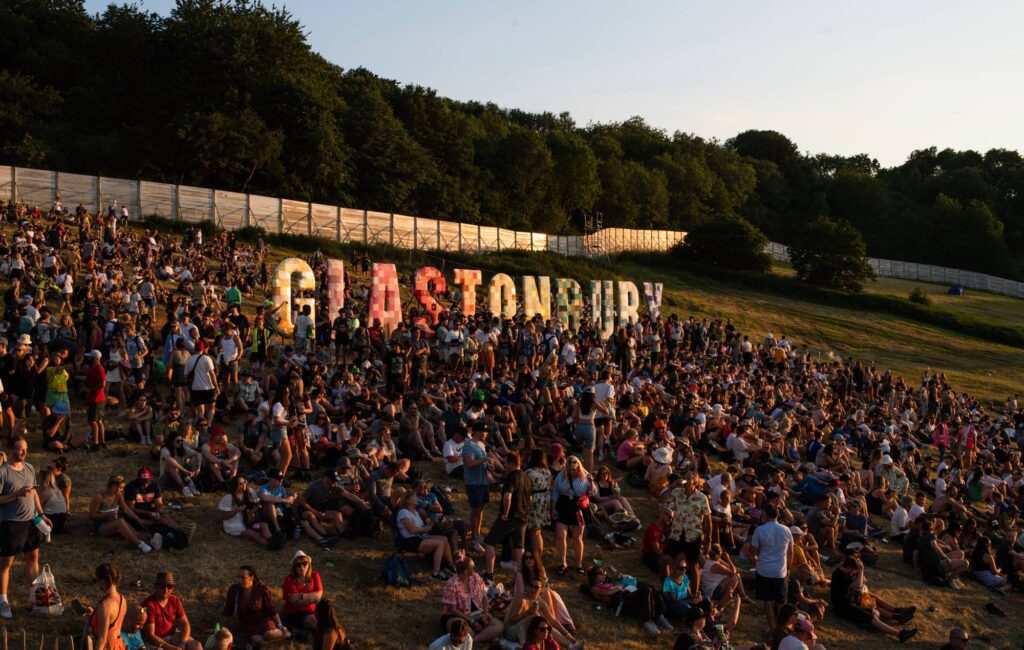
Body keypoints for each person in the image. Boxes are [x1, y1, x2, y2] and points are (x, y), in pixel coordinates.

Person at [0, 436, 48, 619]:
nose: (24, 452)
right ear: (11, 449)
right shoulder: (3, 472)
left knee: (33, 557)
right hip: (11, 523)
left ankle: (34, 596)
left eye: (26, 449)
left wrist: (41, 514)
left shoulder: (29, 467)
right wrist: (16, 494)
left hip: (31, 521)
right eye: (21, 449)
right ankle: (3, 600)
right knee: (6, 564)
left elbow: (33, 492)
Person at [830, 556, 917, 643]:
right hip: (843, 608)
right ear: (849, 567)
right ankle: (900, 634)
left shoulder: (846, 573)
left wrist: (859, 574)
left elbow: (859, 583)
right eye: (854, 570)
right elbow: (858, 586)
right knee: (872, 618)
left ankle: (870, 625)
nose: (853, 572)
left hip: (851, 604)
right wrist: (861, 570)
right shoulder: (839, 576)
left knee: (875, 613)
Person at [483, 451, 531, 579]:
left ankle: (489, 574)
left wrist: (505, 513)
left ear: (512, 463)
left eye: (505, 463)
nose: (504, 465)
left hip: (510, 516)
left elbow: (507, 497)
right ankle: (520, 574)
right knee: (519, 546)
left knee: (489, 542)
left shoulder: (512, 477)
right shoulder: (526, 478)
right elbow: (529, 498)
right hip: (523, 517)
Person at [586, 564, 671, 637]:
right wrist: (617, 588)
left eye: (603, 573)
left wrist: (618, 585)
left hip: (625, 595)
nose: (604, 575)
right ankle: (647, 620)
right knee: (647, 590)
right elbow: (607, 592)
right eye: (600, 573)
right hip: (620, 603)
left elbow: (617, 583)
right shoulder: (594, 588)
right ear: (593, 577)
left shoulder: (606, 583)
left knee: (652, 589)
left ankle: (659, 615)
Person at [749, 502, 794, 631]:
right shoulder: (786, 530)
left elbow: (753, 552)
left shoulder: (759, 530)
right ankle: (781, 629)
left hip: (764, 571)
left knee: (767, 602)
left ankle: (773, 629)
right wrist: (788, 568)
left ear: (765, 514)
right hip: (780, 571)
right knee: (781, 603)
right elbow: (790, 553)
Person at [220, 565, 291, 646]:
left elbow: (270, 608)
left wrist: (280, 625)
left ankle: (287, 633)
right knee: (258, 640)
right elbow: (228, 610)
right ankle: (267, 644)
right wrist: (219, 627)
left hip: (263, 620)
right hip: (247, 623)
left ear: (251, 578)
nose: (239, 580)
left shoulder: (261, 588)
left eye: (243, 577)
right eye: (238, 577)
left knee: (270, 635)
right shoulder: (234, 590)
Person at [440, 559, 504, 645]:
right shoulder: (452, 583)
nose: (475, 569)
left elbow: (484, 597)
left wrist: (485, 614)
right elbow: (453, 610)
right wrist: (471, 621)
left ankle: (474, 640)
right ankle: (485, 634)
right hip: (458, 616)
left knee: (499, 626)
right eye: (473, 567)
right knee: (461, 630)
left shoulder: (476, 577)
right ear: (466, 571)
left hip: (478, 614)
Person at [551, 455, 595, 576]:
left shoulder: (585, 476)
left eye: (574, 469)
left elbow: (592, 493)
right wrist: (553, 508)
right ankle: (563, 563)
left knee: (577, 537)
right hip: (563, 506)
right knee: (561, 534)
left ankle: (578, 564)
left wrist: (591, 482)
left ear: (578, 467)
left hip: (578, 508)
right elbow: (555, 492)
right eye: (569, 468)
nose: (571, 471)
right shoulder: (561, 476)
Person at [89, 475, 156, 554]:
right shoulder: (99, 497)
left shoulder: (118, 495)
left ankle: (150, 542)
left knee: (133, 532)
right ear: (113, 486)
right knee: (120, 521)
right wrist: (107, 514)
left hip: (115, 521)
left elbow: (126, 509)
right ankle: (140, 544)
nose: (122, 490)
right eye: (120, 488)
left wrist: (138, 519)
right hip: (102, 526)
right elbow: (92, 516)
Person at [397, 492, 455, 581]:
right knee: (440, 543)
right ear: (408, 501)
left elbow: (421, 527)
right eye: (414, 497)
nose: (417, 499)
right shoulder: (403, 513)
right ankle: (436, 573)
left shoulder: (415, 512)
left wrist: (430, 525)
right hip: (411, 541)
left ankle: (450, 565)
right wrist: (425, 528)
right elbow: (412, 530)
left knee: (444, 539)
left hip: (420, 536)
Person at [141, 571, 202, 650]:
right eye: (162, 587)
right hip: (155, 642)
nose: (166, 590)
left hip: (172, 635)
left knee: (196, 646)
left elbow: (185, 625)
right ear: (156, 587)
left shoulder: (174, 600)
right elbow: (151, 635)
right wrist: (172, 648)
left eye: (169, 587)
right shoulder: (149, 604)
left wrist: (182, 643)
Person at [218, 475, 272, 547]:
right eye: (240, 484)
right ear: (235, 486)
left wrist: (255, 507)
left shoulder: (249, 492)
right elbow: (225, 516)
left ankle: (271, 540)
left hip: (247, 521)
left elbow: (257, 503)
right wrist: (237, 510)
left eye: (245, 482)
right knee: (252, 533)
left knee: (264, 525)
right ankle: (268, 545)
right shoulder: (229, 497)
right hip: (233, 525)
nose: (244, 485)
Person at [87, 563, 127, 650]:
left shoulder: (105, 605)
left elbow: (102, 640)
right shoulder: (122, 599)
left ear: (103, 581)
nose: (97, 585)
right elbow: (111, 622)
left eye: (97, 580)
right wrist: (93, 614)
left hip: (107, 647)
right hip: (118, 645)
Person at [282, 550, 323, 635]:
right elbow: (296, 602)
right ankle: (328, 638)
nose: (302, 567)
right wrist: (315, 599)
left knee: (328, 618)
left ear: (309, 565)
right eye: (298, 565)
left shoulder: (315, 575)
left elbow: (319, 593)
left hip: (313, 611)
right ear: (294, 567)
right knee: (313, 621)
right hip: (295, 613)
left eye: (304, 563)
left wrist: (301, 595)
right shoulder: (289, 580)